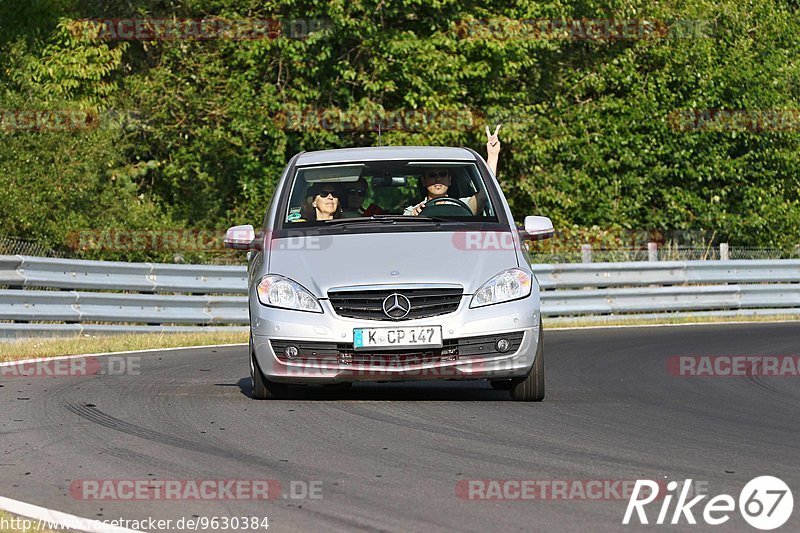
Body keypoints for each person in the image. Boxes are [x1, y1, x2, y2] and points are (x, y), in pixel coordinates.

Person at [404, 124, 501, 216]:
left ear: (449, 179)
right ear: (424, 181)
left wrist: (493, 155)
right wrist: (413, 218)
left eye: (442, 174)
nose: (438, 179)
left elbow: (486, 192)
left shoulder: (463, 206)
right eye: (432, 175)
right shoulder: (412, 211)